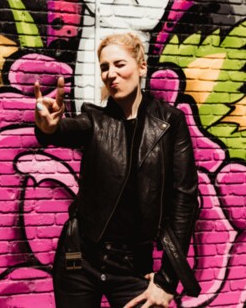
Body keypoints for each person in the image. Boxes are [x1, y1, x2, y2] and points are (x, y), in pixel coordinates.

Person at [34, 32, 199, 308]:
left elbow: (184, 201)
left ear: (141, 66)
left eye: (119, 64)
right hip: (78, 259)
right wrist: (48, 127)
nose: (111, 74)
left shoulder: (170, 123)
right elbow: (64, 130)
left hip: (132, 266)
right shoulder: (95, 121)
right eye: (104, 67)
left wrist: (167, 281)